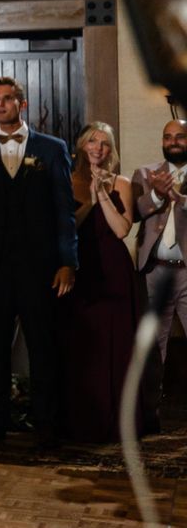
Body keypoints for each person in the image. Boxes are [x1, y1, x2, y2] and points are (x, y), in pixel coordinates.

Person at [0, 76, 78, 448]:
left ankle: (46, 423)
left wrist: (67, 261)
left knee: (43, 346)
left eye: (7, 99)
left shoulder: (51, 148)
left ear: (21, 104)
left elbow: (64, 210)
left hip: (40, 266)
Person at [60, 123, 157, 442]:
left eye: (104, 143)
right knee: (83, 346)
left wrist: (103, 193)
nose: (98, 148)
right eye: (92, 141)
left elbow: (120, 230)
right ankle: (83, 419)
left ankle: (119, 422)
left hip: (114, 270)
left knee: (116, 345)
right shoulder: (66, 181)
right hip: (80, 269)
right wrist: (88, 196)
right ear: (82, 146)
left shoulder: (123, 183)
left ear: (111, 150)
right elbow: (67, 227)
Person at [132, 118, 187, 406]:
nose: (173, 142)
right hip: (154, 271)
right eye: (168, 137)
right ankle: (149, 411)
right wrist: (156, 194)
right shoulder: (145, 173)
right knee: (153, 346)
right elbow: (134, 213)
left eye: (180, 137)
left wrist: (181, 199)